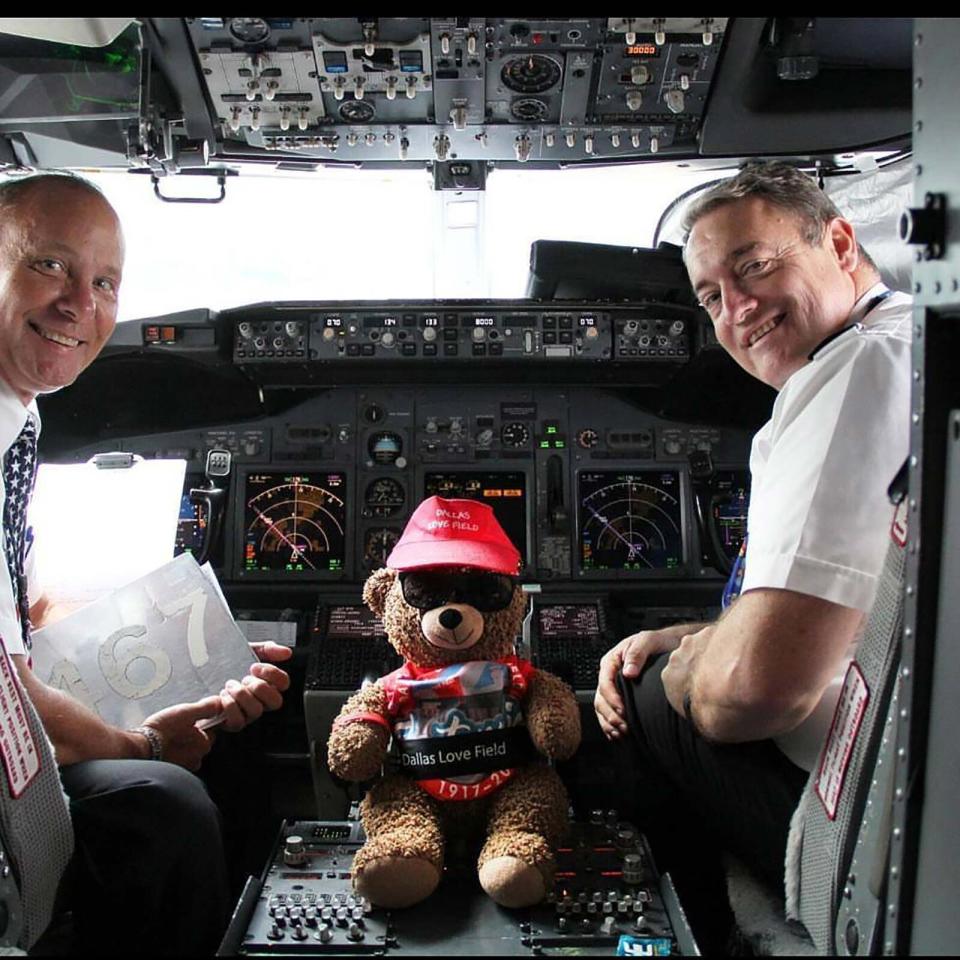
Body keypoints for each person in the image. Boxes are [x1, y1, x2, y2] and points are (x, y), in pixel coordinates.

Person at [593, 162, 912, 937]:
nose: (736, 310)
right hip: (905, 748)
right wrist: (703, 636)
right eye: (711, 296)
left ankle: (704, 932)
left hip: (874, 818)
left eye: (755, 266)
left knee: (640, 695)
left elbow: (755, 692)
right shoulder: (908, 335)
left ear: (839, 241)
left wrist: (696, 665)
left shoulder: (858, 370)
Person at [0, 171, 292, 954]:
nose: (78, 305)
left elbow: (13, 624)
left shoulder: (19, 421)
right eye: (50, 265)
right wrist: (143, 745)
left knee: (220, 741)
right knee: (167, 801)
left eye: (103, 282)